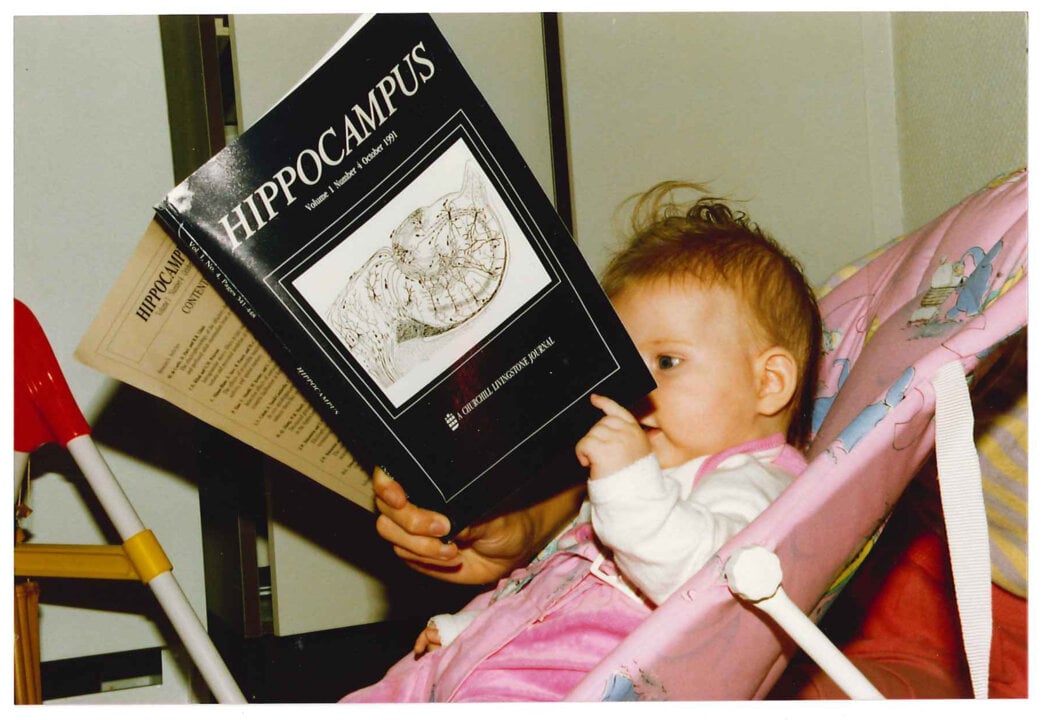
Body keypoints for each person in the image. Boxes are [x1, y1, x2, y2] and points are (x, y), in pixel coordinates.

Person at [343, 181, 822, 702]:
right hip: (494, 664)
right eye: (624, 366)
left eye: (667, 362)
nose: (637, 387)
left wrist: (626, 480)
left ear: (769, 382)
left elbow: (707, 587)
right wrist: (467, 633)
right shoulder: (643, 479)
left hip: (562, 688)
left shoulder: (760, 482)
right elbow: (548, 582)